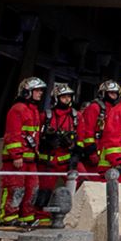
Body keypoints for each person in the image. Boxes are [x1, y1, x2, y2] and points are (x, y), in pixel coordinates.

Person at [0, 77, 46, 227]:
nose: (40, 93)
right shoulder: (18, 109)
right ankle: (8, 217)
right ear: (27, 92)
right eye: (37, 90)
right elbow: (13, 134)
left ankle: (26, 217)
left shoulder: (34, 111)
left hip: (30, 160)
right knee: (15, 188)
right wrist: (16, 155)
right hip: (16, 160)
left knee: (32, 189)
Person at [35, 83, 81, 222]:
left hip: (67, 161)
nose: (67, 100)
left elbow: (82, 137)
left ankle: (73, 218)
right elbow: (36, 136)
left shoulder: (76, 116)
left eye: (68, 97)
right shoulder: (46, 116)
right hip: (48, 161)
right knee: (44, 192)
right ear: (56, 98)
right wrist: (46, 141)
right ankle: (42, 220)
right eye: (63, 97)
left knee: (82, 186)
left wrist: (76, 155)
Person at [77, 80, 119, 173]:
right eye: (111, 93)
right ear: (103, 93)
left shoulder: (114, 109)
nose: (114, 95)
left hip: (107, 154)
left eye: (116, 93)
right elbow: (87, 131)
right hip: (94, 153)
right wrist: (91, 152)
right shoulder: (95, 107)